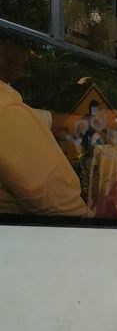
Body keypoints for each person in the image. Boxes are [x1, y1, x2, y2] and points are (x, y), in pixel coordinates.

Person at [0, 41, 93, 217]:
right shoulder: (5, 109)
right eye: (23, 48)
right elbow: (60, 206)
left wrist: (85, 122)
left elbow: (41, 119)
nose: (25, 57)